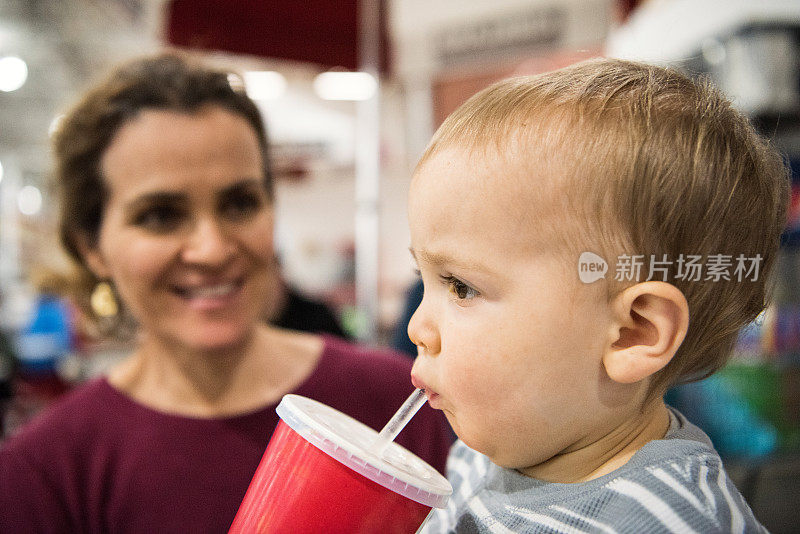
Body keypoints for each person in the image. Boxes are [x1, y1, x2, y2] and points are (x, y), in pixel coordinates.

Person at [0, 52, 452, 533]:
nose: (213, 250)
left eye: (240, 203)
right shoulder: (44, 473)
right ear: (91, 246)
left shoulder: (393, 401)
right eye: (160, 215)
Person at [408, 58, 788, 533]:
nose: (416, 327)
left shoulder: (658, 521)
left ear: (632, 333)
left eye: (461, 286)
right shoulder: (489, 450)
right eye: (423, 276)